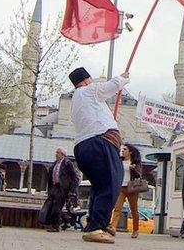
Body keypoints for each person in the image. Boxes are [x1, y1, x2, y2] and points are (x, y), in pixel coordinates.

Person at [69, 67, 129, 244]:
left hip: (83, 147)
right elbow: (110, 86)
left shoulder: (77, 101)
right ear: (87, 80)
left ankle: (96, 224)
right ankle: (97, 226)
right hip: (99, 143)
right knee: (112, 182)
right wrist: (122, 79)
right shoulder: (88, 91)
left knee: (100, 185)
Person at [109, 144, 143, 239]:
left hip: (132, 188)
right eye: (122, 149)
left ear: (130, 151)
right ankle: (113, 227)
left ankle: (135, 230)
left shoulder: (136, 162)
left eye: (125, 149)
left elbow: (140, 174)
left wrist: (134, 169)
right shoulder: (120, 161)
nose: (122, 151)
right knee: (117, 207)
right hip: (121, 187)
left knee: (134, 210)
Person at [43, 147, 79, 232]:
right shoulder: (54, 164)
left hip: (62, 188)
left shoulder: (67, 163)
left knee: (57, 206)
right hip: (54, 187)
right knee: (50, 205)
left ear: (63, 155)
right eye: (56, 152)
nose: (56, 154)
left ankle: (56, 226)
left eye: (58, 153)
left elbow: (75, 177)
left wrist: (72, 189)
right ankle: (60, 220)